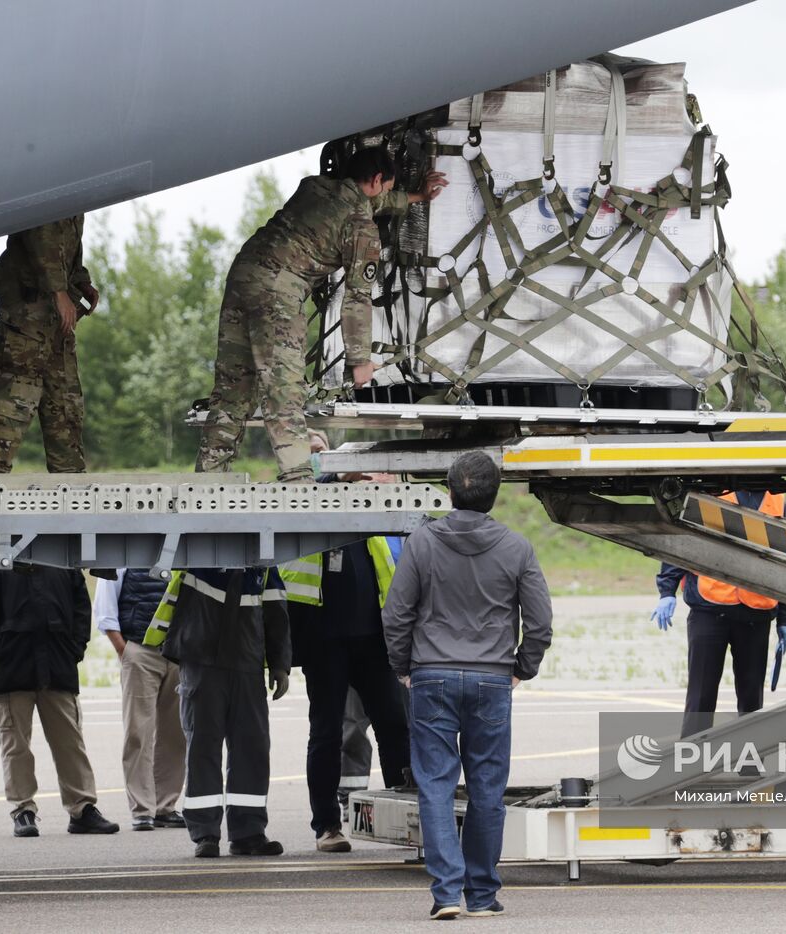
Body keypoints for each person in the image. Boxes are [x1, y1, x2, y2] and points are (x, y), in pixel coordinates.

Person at [195, 148, 447, 482]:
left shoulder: (314, 188)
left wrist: (416, 196)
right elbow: (357, 297)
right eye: (386, 185)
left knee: (233, 388)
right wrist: (360, 361)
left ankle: (208, 477)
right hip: (278, 292)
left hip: (243, 275)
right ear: (376, 180)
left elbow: (372, 201)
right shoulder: (361, 227)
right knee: (283, 389)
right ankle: (298, 479)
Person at [383, 451, 553, 921]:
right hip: (492, 678)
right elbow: (539, 622)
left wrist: (404, 666)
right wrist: (523, 668)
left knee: (435, 785)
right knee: (486, 789)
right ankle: (482, 894)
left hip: (432, 673)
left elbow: (396, 613)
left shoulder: (421, 542)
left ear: (450, 491)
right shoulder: (516, 547)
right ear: (494, 496)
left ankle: (446, 894)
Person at [0, 558, 119, 837]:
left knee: (70, 742)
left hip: (57, 665)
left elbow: (81, 605)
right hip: (10, 669)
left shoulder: (59, 555)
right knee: (16, 746)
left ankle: (82, 809)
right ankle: (23, 810)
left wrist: (75, 649)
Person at [145, 567, 291, 858]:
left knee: (252, 748)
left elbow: (276, 613)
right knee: (202, 748)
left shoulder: (262, 563)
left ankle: (248, 834)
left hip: (246, 666)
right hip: (202, 663)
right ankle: (205, 834)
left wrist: (279, 664)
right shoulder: (195, 553)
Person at [284, 532, 412, 853]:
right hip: (325, 642)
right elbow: (322, 478)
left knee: (395, 726)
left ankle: (407, 815)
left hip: (373, 642)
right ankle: (327, 826)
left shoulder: (372, 523)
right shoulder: (318, 512)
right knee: (327, 733)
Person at [653, 490, 786, 737]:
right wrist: (667, 590)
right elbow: (686, 539)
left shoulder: (777, 501)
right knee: (701, 695)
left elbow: (784, 560)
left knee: (751, 698)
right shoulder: (713, 492)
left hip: (756, 613)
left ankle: (750, 765)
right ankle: (692, 764)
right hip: (709, 609)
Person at [0, 215, 98, 473]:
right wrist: (58, 291)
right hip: (27, 315)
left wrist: (80, 280)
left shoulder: (75, 192)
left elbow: (65, 246)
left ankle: (72, 491)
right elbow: (39, 232)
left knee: (65, 407)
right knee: (11, 406)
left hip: (55, 323)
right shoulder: (50, 182)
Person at [94, 568, 185, 831]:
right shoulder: (123, 551)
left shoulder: (184, 547)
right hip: (139, 649)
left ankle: (165, 807)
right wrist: (125, 651)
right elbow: (105, 608)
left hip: (178, 652)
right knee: (138, 733)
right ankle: (142, 809)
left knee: (175, 733)